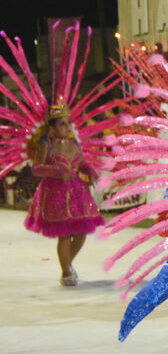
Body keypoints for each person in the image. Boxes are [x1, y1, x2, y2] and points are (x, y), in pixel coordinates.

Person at [24, 103, 104, 285]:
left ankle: (67, 264)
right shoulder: (46, 144)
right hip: (55, 193)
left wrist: (90, 171)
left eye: (68, 123)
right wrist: (56, 170)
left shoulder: (73, 142)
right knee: (65, 234)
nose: (67, 127)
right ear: (51, 127)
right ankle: (66, 272)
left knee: (82, 232)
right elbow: (36, 169)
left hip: (76, 192)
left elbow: (81, 162)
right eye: (62, 124)